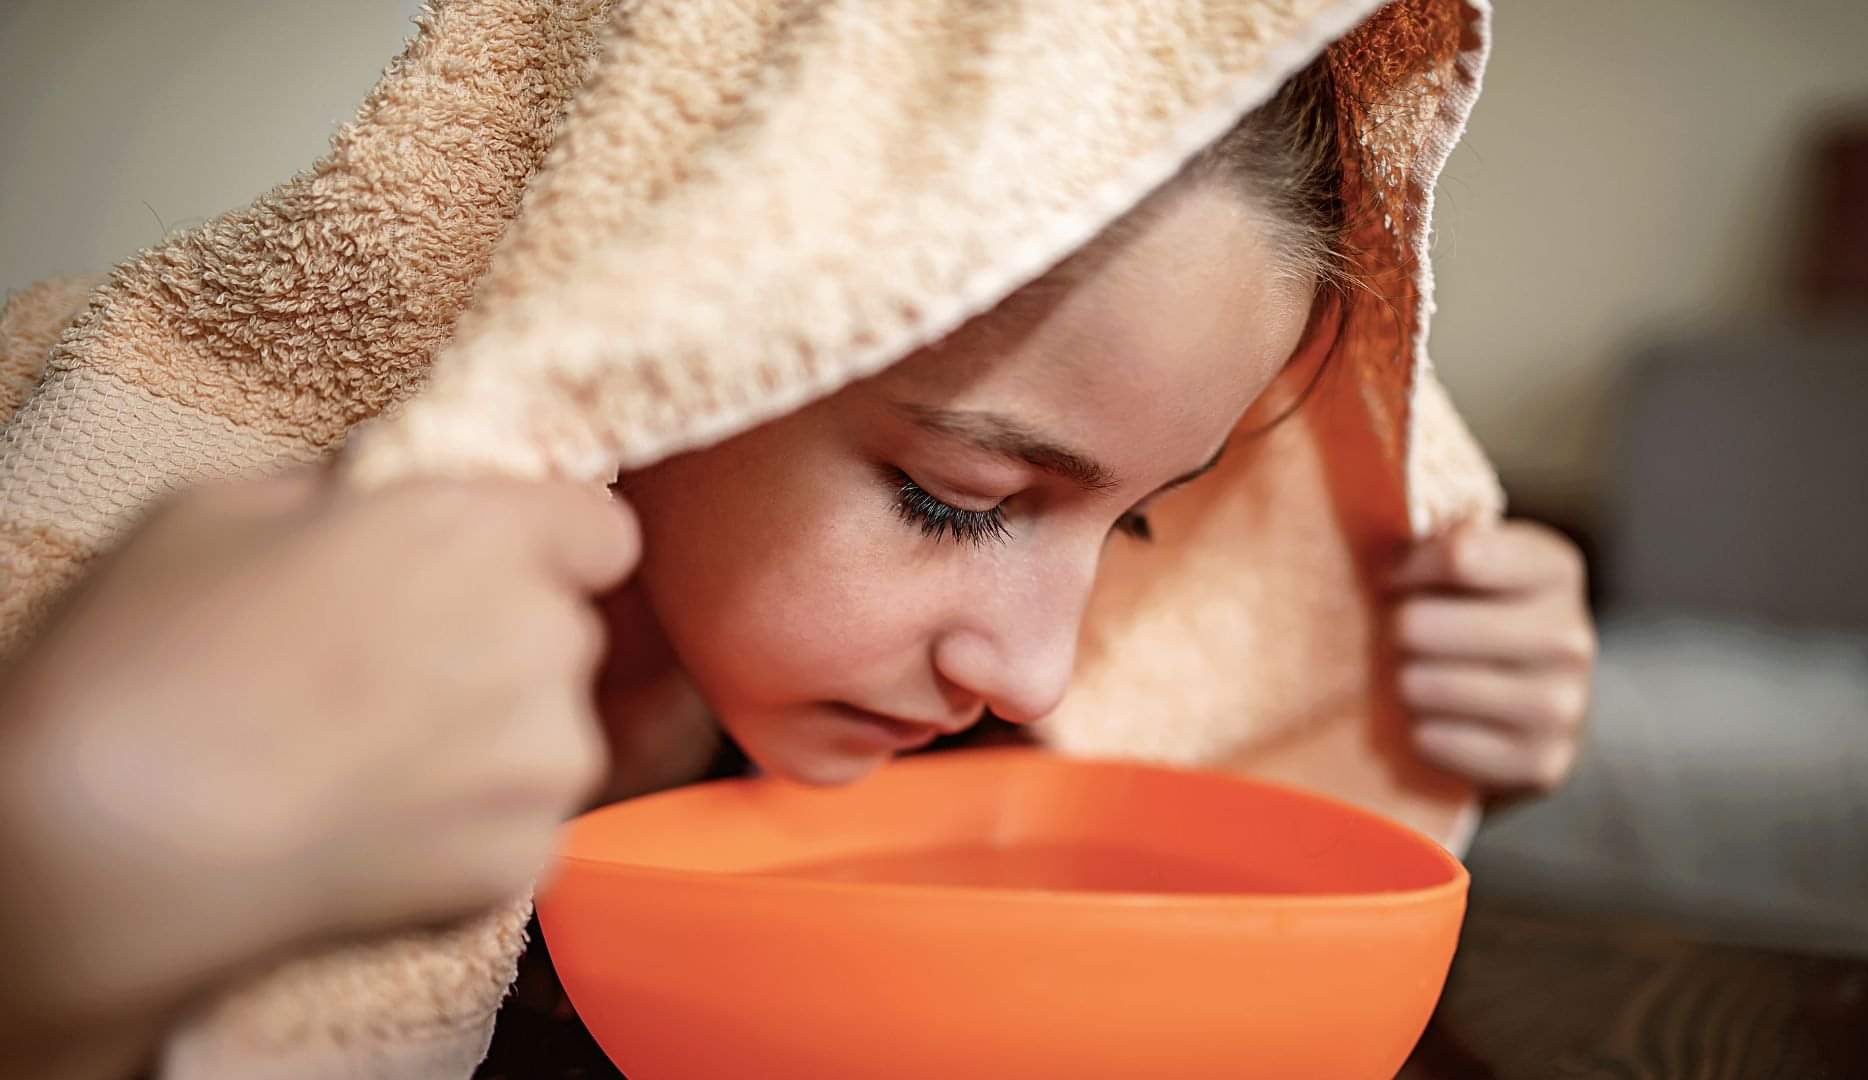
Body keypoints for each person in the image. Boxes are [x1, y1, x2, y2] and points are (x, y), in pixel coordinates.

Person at [0, 42, 1594, 1076]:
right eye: (961, 498)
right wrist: (59, 897)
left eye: (1141, 522)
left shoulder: (971, 750)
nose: (1036, 664)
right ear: (660, 329)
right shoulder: (70, 488)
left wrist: (1385, 711)